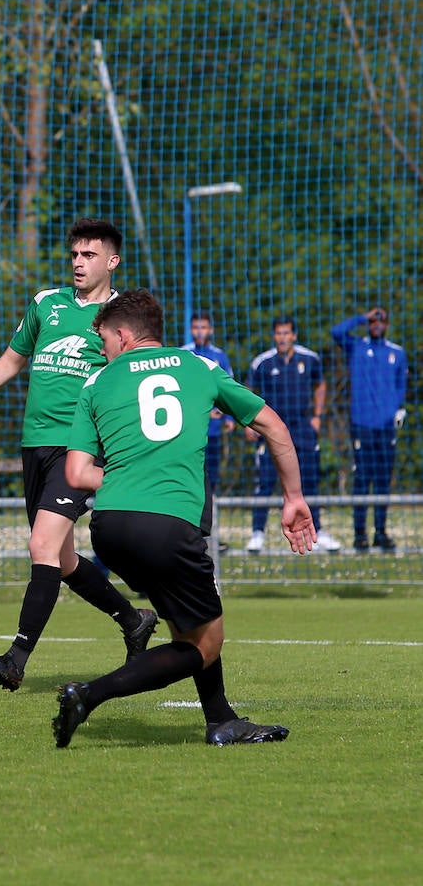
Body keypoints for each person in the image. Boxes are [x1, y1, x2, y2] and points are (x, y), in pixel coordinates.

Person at [54, 288, 311, 748]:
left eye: (104, 340)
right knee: (205, 643)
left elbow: (75, 472)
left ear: (125, 335)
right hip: (169, 525)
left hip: (110, 527)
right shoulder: (200, 367)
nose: (101, 349)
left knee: (188, 625)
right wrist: (292, 497)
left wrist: (125, 478)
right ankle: (87, 696)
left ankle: (221, 719)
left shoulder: (96, 384)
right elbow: (273, 425)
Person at [0, 217, 158, 691]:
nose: (78, 262)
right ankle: (133, 619)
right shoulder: (46, 303)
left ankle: (16, 658)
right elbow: (14, 357)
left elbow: (138, 377)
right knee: (63, 558)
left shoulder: (123, 317)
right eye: (75, 254)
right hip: (34, 445)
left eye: (90, 255)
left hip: (79, 449)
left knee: (40, 547)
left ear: (113, 262)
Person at [244, 317, 342, 551]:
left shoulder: (310, 359)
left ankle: (316, 530)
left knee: (309, 479)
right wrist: (249, 422)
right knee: (265, 482)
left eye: (287, 333)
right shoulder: (263, 363)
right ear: (274, 336)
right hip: (272, 430)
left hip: (302, 429)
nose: (283, 338)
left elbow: (320, 385)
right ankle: (257, 533)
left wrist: (317, 416)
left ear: (294, 335)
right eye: (279, 333)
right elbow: (247, 390)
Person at [331, 307, 408, 551]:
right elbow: (336, 332)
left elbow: (400, 387)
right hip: (361, 425)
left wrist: (395, 410)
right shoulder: (357, 347)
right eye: (373, 320)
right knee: (362, 480)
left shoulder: (397, 353)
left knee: (384, 481)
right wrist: (361, 317)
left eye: (380, 320)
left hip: (385, 428)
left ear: (387, 324)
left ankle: (381, 532)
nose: (376, 324)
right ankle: (359, 533)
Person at [180, 313, 238, 493]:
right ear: (191, 330)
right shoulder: (182, 354)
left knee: (211, 474)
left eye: (203, 327)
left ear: (211, 330)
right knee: (190, 472)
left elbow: (229, 388)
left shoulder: (219, 356)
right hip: (189, 426)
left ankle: (211, 512)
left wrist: (229, 417)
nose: (200, 332)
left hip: (212, 429)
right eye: (196, 327)